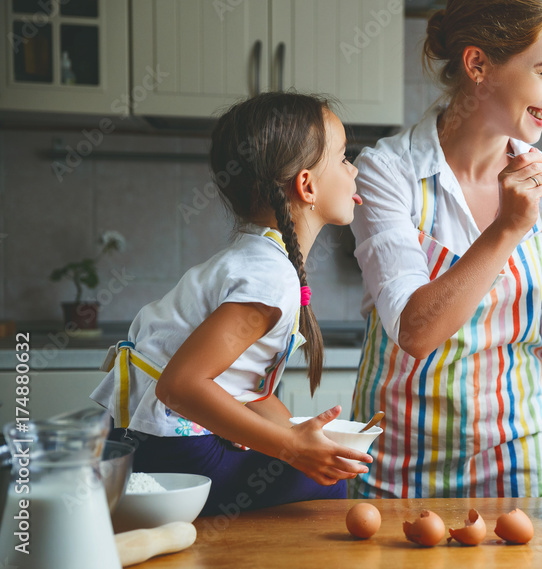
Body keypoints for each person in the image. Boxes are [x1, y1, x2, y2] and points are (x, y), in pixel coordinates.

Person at [349, 0, 542, 499]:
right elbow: (415, 330)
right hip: (395, 457)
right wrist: (507, 228)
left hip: (515, 453)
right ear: (479, 65)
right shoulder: (388, 172)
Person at [90, 92, 372, 515]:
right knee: (325, 489)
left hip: (149, 444)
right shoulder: (270, 276)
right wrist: (293, 449)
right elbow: (180, 387)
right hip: (173, 454)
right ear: (307, 185)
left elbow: (246, 391)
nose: (353, 171)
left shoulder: (262, 259)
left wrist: (304, 437)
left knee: (317, 467)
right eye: (344, 157)